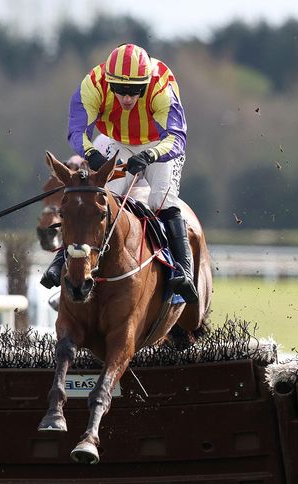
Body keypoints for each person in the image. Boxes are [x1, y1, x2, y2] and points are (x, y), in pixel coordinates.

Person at [41, 43, 197, 304]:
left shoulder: (161, 87)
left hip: (160, 144)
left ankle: (184, 271)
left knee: (162, 200)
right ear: (109, 81)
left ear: (145, 84)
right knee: (99, 199)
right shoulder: (92, 84)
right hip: (116, 140)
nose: (127, 98)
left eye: (135, 90)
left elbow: (177, 137)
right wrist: (92, 154)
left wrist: (149, 156)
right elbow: (77, 131)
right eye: (120, 90)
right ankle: (61, 265)